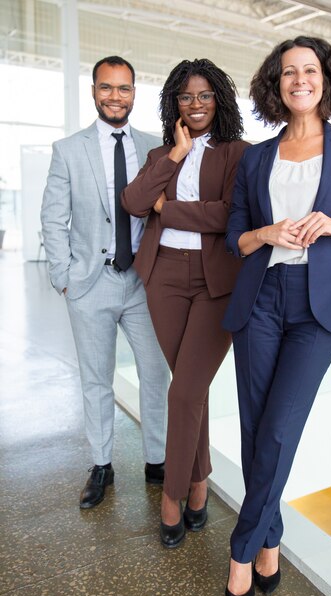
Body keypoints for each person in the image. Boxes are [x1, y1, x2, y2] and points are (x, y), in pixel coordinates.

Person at [222, 36, 331, 596]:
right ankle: (270, 539)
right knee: (254, 427)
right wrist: (267, 235)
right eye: (289, 71)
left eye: (311, 69)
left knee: (276, 429)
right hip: (261, 297)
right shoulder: (256, 157)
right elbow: (236, 237)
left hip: (319, 307)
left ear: (327, 79)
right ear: (276, 84)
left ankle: (242, 549)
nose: (300, 79)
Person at [121, 58, 249, 548]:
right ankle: (199, 483)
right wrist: (176, 154)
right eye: (186, 97)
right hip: (164, 278)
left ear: (220, 99)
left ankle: (174, 496)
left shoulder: (239, 153)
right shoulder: (161, 154)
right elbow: (134, 202)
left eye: (204, 96)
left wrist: (169, 210)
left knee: (185, 390)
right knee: (190, 390)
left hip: (217, 283)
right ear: (174, 103)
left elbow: (230, 214)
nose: (195, 105)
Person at [41, 56, 170, 510]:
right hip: (89, 284)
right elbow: (53, 219)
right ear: (93, 91)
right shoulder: (68, 150)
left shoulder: (157, 148)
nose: (116, 96)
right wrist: (63, 277)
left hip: (143, 283)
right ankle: (102, 465)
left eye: (124, 88)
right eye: (107, 87)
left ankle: (157, 461)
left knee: (157, 374)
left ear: (135, 93)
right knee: (97, 381)